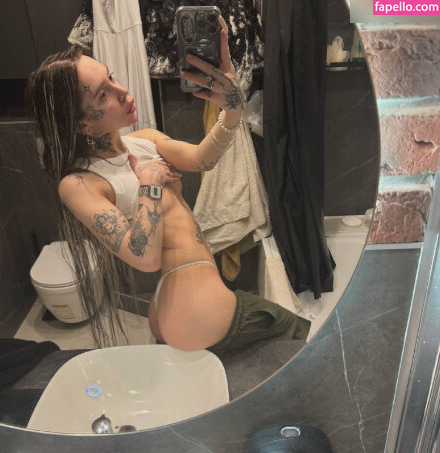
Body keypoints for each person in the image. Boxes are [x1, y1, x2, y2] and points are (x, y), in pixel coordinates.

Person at [27, 17, 310, 351]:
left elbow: (203, 159)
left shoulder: (143, 141)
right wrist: (150, 184)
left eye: (112, 78)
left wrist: (233, 107)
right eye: (104, 95)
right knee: (299, 333)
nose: (122, 92)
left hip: (178, 298)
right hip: (194, 308)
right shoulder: (79, 183)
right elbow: (144, 258)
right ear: (82, 125)